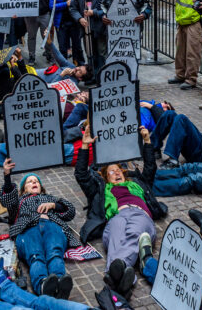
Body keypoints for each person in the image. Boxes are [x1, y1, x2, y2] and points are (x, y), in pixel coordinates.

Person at [74, 125, 165, 297]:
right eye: (111, 171)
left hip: (139, 214)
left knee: (134, 233)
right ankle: (122, 279)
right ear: (105, 177)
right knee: (114, 239)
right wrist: (85, 146)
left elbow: (150, 168)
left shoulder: (137, 183)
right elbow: (81, 175)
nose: (116, 172)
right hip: (116, 217)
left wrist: (147, 141)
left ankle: (114, 274)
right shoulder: (101, 189)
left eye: (118, 170)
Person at [0, 160, 78, 298]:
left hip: (52, 226)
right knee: (36, 255)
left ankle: (60, 284)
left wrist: (53, 205)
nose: (34, 182)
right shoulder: (19, 202)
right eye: (29, 182)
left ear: (41, 187)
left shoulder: (50, 198)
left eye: (36, 181)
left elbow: (70, 211)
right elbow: (8, 200)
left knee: (55, 253)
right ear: (24, 189)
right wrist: (7, 175)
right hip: (28, 229)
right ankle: (42, 285)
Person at [167, 0, 202, 89]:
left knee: (192, 53)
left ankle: (190, 79)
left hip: (194, 21)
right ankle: (180, 75)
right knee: (180, 51)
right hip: (181, 20)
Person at [68, 0, 105, 71]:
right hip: (86, 29)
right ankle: (92, 73)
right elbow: (73, 8)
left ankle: (100, 74)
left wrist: (94, 12)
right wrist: (80, 18)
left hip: (99, 28)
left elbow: (106, 9)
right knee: (89, 53)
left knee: (101, 53)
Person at [48, 0, 80, 64]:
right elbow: (52, 6)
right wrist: (65, 4)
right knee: (62, 46)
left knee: (76, 45)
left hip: (74, 21)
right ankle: (64, 65)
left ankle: (76, 64)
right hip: (61, 22)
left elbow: (80, 2)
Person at [23, 0, 52, 64]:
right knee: (31, 36)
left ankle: (49, 54)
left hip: (44, 13)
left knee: (46, 36)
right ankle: (32, 56)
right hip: (31, 15)